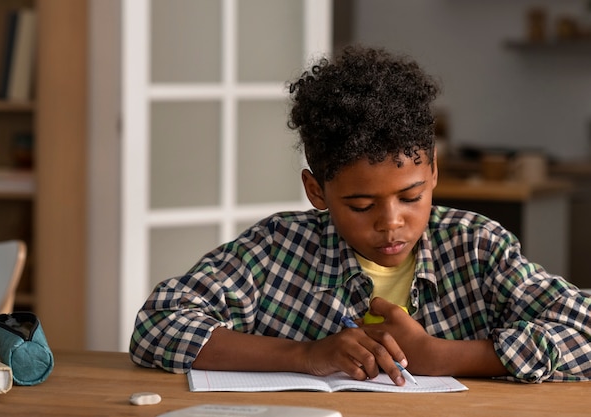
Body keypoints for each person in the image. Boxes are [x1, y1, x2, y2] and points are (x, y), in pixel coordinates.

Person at [129, 45, 591, 385]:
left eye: (410, 197)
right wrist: (305, 354)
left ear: (433, 171)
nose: (391, 222)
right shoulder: (276, 250)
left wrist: (445, 356)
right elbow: (159, 325)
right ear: (316, 191)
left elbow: (583, 327)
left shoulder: (477, 247)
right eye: (361, 205)